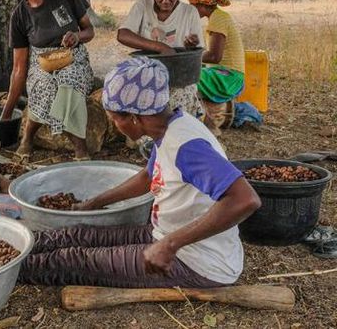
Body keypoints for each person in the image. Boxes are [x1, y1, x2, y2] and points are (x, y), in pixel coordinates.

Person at [18, 58, 261, 288]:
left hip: (198, 260)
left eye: (115, 119)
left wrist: (169, 244)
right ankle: (16, 245)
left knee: (71, 261)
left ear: (134, 117)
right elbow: (148, 177)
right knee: (74, 236)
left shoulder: (186, 146)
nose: (115, 125)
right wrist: (94, 203)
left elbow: (245, 199)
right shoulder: (170, 126)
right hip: (164, 234)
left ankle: (4, 270)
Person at [0, 0, 95, 161]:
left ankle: (80, 147)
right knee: (43, 85)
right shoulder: (19, 17)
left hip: (74, 57)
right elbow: (19, 68)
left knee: (69, 80)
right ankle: (28, 138)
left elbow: (90, 31)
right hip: (41, 63)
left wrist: (77, 37)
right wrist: (5, 115)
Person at [117, 0, 204, 117]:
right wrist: (160, 47)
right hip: (145, 73)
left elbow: (197, 54)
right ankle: (145, 139)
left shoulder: (189, 12)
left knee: (176, 104)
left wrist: (191, 45)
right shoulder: (143, 6)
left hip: (178, 78)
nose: (165, 0)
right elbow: (123, 34)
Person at [187, 0, 246, 135]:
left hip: (229, 77)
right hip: (225, 73)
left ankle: (206, 126)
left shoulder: (218, 19)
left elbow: (214, 56)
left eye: (192, 5)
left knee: (185, 77)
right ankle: (208, 123)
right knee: (190, 72)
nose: (191, 10)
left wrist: (189, 58)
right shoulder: (217, 17)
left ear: (202, 4)